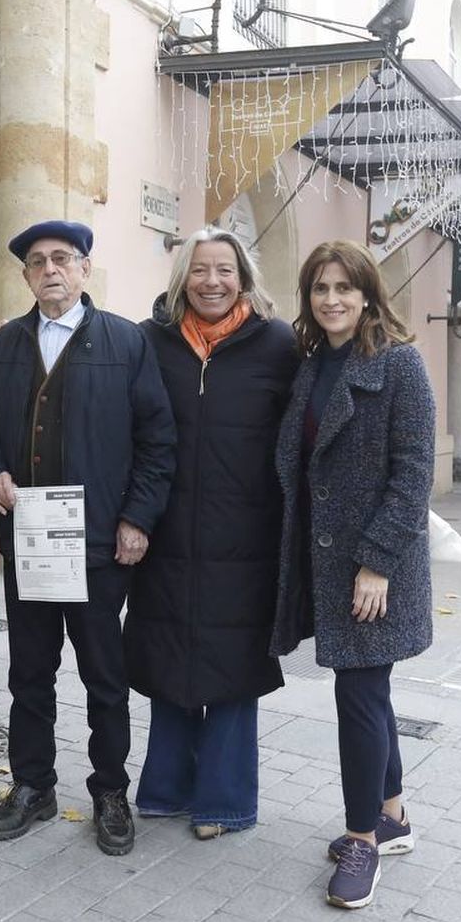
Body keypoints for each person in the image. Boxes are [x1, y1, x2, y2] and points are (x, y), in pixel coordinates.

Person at [0, 220, 176, 857]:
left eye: (63, 258)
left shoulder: (125, 342)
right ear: (27, 275)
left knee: (104, 678)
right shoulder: (4, 344)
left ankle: (110, 791)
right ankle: (33, 786)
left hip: (96, 546)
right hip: (29, 541)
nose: (50, 269)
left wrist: (138, 518)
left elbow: (156, 439)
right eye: (37, 261)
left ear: (85, 269)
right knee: (30, 673)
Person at [272, 239, 435, 910]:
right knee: (367, 691)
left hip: (374, 567)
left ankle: (362, 838)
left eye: (345, 287)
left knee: (358, 698)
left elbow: (413, 474)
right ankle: (393, 815)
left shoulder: (400, 365)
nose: (332, 299)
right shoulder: (311, 365)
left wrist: (376, 564)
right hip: (324, 557)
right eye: (320, 288)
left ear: (369, 294)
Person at [127, 229, 298, 840]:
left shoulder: (278, 345)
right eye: (199, 270)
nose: (212, 282)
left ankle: (224, 802)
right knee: (167, 657)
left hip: (247, 535)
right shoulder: (150, 342)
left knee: (232, 667)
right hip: (165, 531)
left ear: (243, 277)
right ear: (182, 279)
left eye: (224, 270)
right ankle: (167, 788)